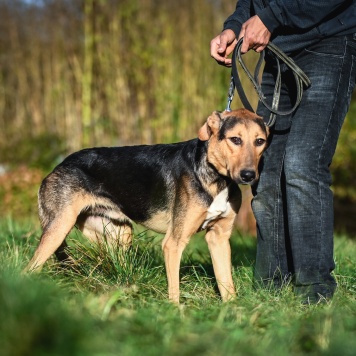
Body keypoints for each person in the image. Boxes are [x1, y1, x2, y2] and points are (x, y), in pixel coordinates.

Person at [210, 0, 356, 304]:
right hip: (279, 52)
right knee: (267, 172)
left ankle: (315, 291)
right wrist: (234, 27)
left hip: (329, 42)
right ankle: (270, 289)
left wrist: (272, 16)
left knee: (303, 163)